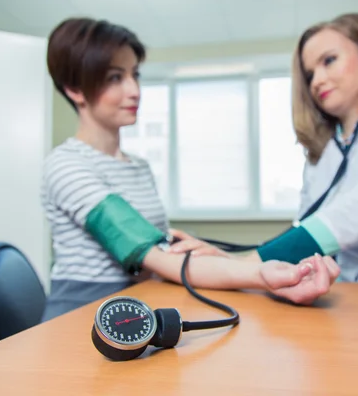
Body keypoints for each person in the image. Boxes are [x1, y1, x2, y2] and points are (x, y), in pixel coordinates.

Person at [40, 17, 340, 322]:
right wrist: (262, 273)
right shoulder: (66, 165)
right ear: (75, 89)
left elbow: (166, 254)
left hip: (136, 305)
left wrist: (230, 261)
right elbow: (149, 252)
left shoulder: (138, 167)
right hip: (81, 315)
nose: (134, 90)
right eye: (115, 78)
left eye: (135, 74)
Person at [168, 13, 358, 286]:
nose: (317, 80)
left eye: (328, 60)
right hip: (356, 299)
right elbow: (307, 230)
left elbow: (354, 217)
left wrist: (235, 266)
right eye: (309, 73)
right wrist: (228, 256)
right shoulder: (323, 154)